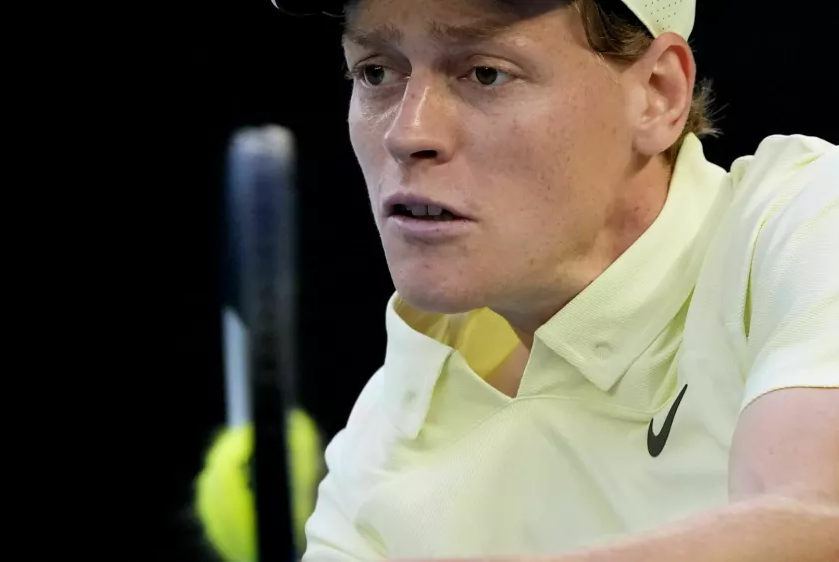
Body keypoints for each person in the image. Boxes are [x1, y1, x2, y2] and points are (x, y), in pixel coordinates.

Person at [271, 0, 839, 560]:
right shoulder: (377, 453)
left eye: (486, 73)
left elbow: (817, 523)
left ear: (658, 94)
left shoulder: (806, 217)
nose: (408, 133)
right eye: (375, 72)